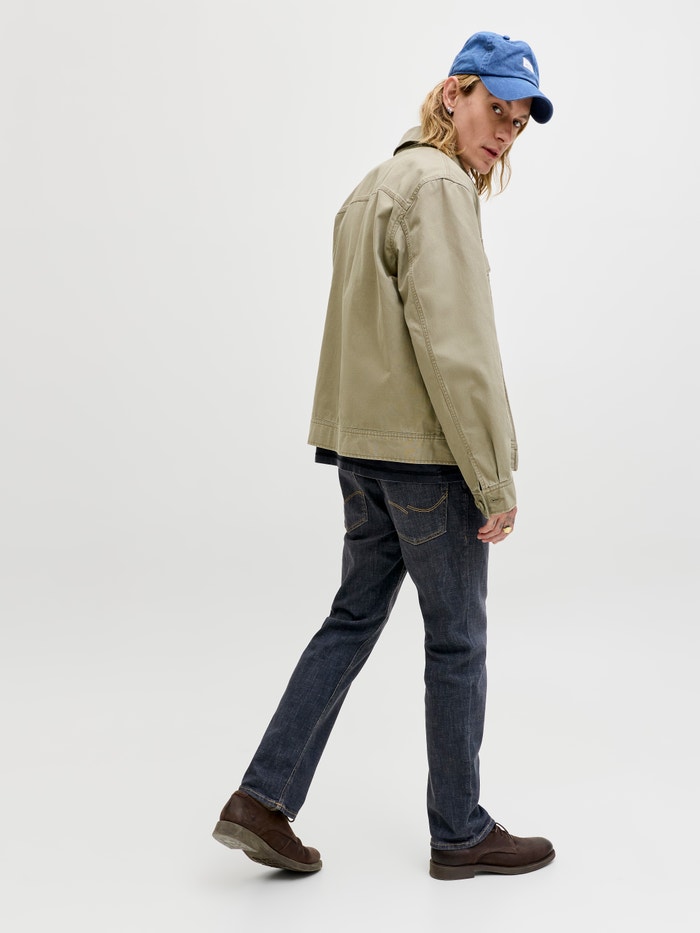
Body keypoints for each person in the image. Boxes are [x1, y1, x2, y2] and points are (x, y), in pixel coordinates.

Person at [213, 31, 556, 881]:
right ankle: (460, 831)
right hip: (428, 462)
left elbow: (362, 334)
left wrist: (350, 441)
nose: (504, 132)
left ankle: (261, 798)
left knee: (353, 617)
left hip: (366, 453)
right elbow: (457, 348)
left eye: (517, 122)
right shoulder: (440, 188)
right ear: (451, 94)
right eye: (494, 108)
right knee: (458, 640)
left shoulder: (374, 184)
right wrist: (493, 478)